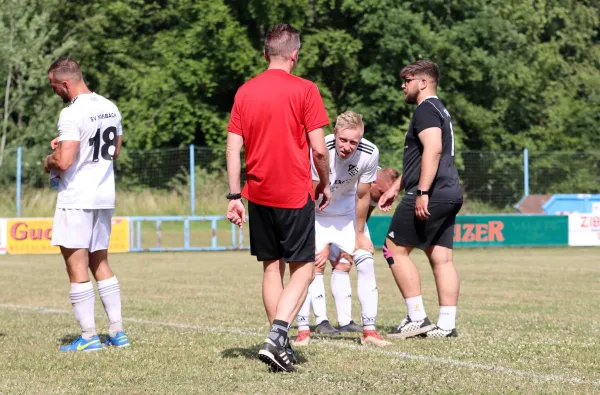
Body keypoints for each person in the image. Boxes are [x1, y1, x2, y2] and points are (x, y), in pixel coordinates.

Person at [225, 23, 331, 372]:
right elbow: (319, 149)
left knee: (273, 266)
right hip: (293, 191)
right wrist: (325, 182)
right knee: (305, 270)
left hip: (258, 193)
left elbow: (233, 147)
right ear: (295, 55)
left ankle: (277, 347)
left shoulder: (245, 91)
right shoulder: (305, 89)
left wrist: (234, 194)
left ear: (265, 52)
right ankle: (278, 336)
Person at [44, 58, 129, 351]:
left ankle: (89, 336)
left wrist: (48, 161)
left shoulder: (71, 113)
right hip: (104, 195)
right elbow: (115, 151)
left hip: (77, 198)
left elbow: (65, 162)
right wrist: (70, 142)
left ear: (65, 83)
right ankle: (117, 332)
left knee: (76, 265)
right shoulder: (110, 106)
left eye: (53, 85)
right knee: (100, 262)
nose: (53, 90)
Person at [378, 60, 463, 339]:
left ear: (423, 83)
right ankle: (446, 325)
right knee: (441, 256)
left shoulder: (425, 109)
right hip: (449, 190)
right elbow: (422, 158)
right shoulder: (440, 109)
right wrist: (396, 187)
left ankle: (417, 317)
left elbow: (433, 150)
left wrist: (422, 192)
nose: (403, 85)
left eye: (407, 79)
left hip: (432, 192)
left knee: (392, 248)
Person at [294, 111, 392, 347]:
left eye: (353, 142)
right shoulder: (318, 148)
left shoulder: (370, 153)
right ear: (335, 133)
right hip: (316, 213)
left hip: (347, 215)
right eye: (343, 140)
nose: (348, 147)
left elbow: (362, 194)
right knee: (306, 268)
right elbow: (311, 192)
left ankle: (369, 331)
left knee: (366, 262)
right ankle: (303, 331)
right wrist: (313, 234)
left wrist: (359, 233)